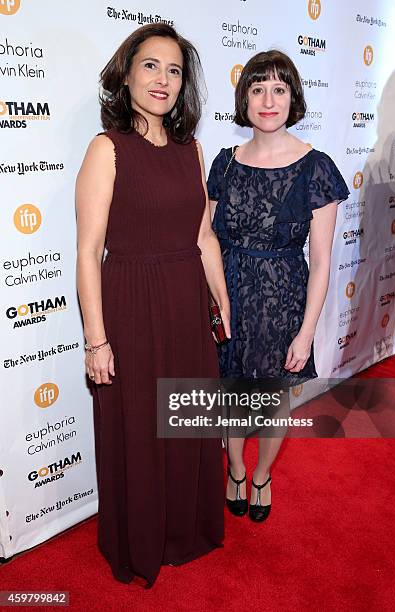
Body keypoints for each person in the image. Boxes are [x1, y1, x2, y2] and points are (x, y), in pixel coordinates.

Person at [76, 23, 230, 587]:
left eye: (174, 70)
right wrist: (97, 339)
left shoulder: (192, 150)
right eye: (151, 65)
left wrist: (221, 299)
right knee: (140, 427)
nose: (162, 79)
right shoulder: (107, 148)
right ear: (127, 73)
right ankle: (139, 540)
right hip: (132, 304)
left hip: (186, 303)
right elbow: (89, 250)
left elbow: (204, 236)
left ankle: (183, 531)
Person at [207, 50, 349, 522]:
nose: (268, 100)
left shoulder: (316, 167)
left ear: (293, 98)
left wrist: (307, 332)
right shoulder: (224, 165)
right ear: (244, 98)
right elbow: (205, 238)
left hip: (283, 300)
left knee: (272, 404)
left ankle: (262, 474)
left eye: (279, 89)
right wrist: (211, 301)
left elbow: (324, 258)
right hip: (227, 298)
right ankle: (234, 469)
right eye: (258, 88)